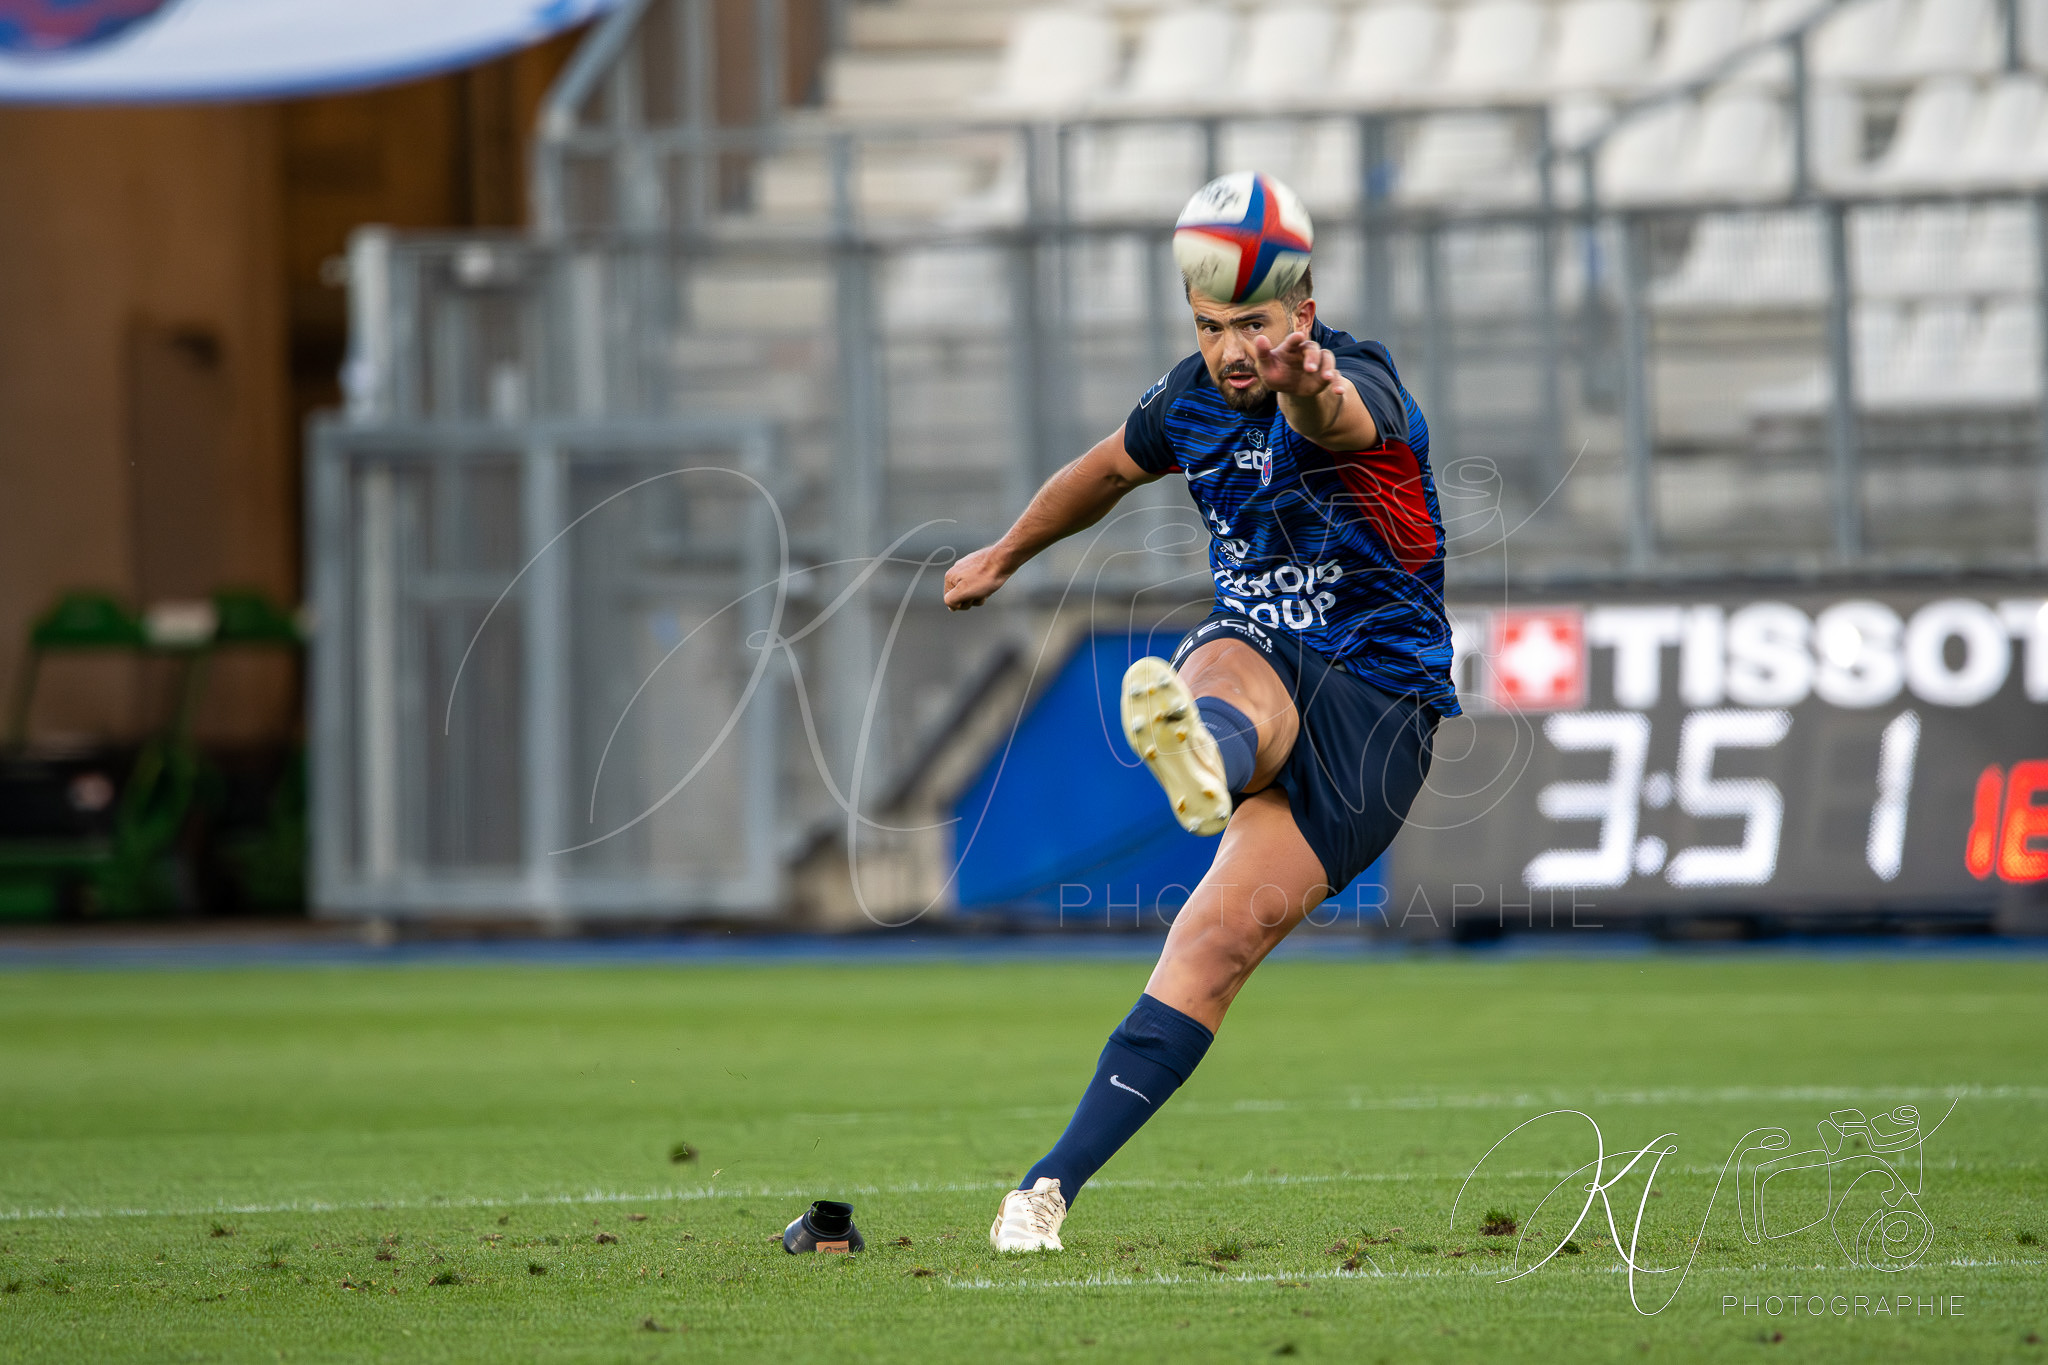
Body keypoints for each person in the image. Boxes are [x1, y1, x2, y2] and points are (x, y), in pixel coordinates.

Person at [941, 178, 1460, 1254]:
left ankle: (1210, 754)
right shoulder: (1187, 400)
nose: (1233, 351)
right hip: (1260, 668)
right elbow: (1101, 470)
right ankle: (1043, 1192)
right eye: (1213, 327)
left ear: (1300, 317)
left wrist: (1305, 384)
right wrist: (1004, 551)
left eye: (1254, 326)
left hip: (1380, 710)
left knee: (1225, 915)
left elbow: (1338, 419)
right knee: (1205, 925)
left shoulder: (1352, 381)